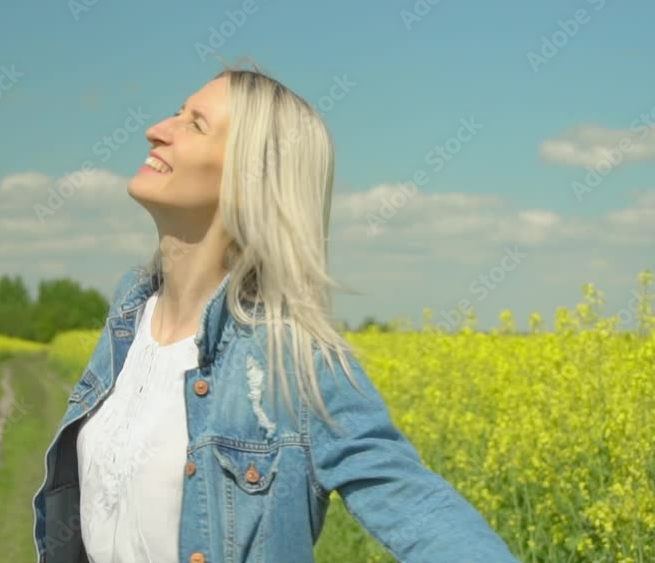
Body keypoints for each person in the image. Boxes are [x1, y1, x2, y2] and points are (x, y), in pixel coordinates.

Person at [31, 64, 520, 563]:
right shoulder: (130, 313)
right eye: (176, 113)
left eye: (195, 124)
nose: (156, 130)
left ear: (249, 179)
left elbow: (420, 509)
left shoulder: (294, 363)